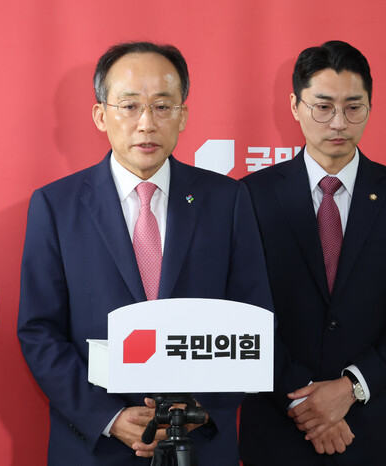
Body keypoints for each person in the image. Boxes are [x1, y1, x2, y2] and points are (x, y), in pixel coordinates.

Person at [17, 41, 272, 465]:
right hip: (96, 446)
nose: (146, 123)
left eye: (162, 106)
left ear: (183, 115)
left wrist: (203, 409)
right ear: (101, 115)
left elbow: (254, 319)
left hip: (200, 444)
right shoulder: (56, 205)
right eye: (130, 106)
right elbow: (39, 330)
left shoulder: (227, 200)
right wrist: (108, 417)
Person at [239, 40, 386, 465]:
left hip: (377, 426)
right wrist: (305, 404)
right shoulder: (250, 196)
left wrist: (351, 387)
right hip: (280, 427)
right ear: (295, 106)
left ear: (370, 107)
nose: (338, 123)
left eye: (353, 108)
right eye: (323, 106)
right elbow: (244, 312)